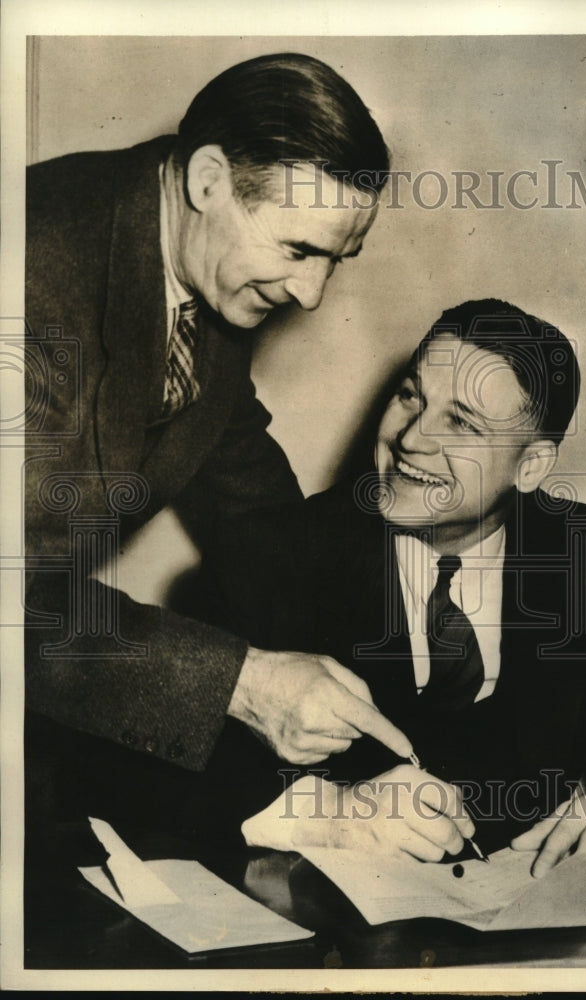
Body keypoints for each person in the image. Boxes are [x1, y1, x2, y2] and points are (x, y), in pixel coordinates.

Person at [201, 299, 586, 871]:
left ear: (530, 466)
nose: (411, 439)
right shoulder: (274, 553)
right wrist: (328, 813)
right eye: (411, 396)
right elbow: (163, 761)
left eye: (461, 422)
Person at [24, 52, 412, 800]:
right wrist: (246, 684)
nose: (311, 294)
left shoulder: (200, 271)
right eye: (298, 249)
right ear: (208, 180)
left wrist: (371, 666)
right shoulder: (33, 274)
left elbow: (252, 504)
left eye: (338, 258)